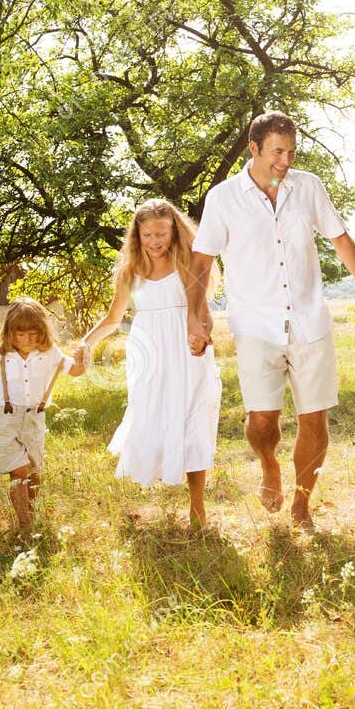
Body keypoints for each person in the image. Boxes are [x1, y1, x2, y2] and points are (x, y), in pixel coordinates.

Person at [186, 111, 355, 528]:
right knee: (262, 419)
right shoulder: (223, 198)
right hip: (255, 325)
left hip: (309, 321)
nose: (285, 160)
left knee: (314, 415)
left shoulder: (309, 187)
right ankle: (268, 465)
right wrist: (196, 315)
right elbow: (202, 261)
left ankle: (302, 503)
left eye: (292, 151)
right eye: (278, 151)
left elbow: (340, 239)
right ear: (254, 148)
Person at [84, 199, 223, 528]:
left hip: (186, 349)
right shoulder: (130, 271)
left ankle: (197, 507)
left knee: (192, 418)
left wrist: (202, 333)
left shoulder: (188, 262)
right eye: (147, 234)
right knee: (152, 416)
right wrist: (85, 343)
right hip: (148, 353)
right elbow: (113, 317)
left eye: (161, 233)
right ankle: (159, 478)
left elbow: (201, 311)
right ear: (137, 235)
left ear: (174, 230)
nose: (155, 241)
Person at [0, 298, 88, 530]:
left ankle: (29, 514)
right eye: (20, 335)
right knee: (18, 471)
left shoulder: (51, 352)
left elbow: (73, 369)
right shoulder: (2, 354)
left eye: (33, 334)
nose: (27, 340)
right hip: (7, 418)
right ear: (10, 332)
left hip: (34, 417)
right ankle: (24, 525)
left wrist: (82, 362)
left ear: (42, 332)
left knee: (33, 473)